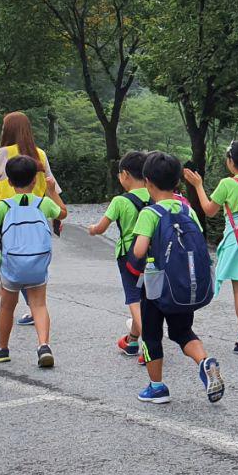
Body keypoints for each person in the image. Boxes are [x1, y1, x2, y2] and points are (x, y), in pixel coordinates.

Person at [124, 150, 224, 406]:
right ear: (177, 181)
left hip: (156, 287)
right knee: (182, 331)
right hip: (183, 285)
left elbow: (138, 250)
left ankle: (157, 387)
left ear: (147, 182)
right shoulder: (187, 210)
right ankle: (204, 362)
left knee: (152, 335)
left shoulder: (150, 213)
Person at [0, 155, 66, 366]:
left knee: (7, 307)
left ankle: (2, 349)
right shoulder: (43, 203)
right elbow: (62, 213)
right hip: (37, 264)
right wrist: (52, 192)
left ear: (9, 181)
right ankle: (43, 346)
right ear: (35, 181)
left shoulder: (4, 206)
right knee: (39, 304)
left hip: (11, 266)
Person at [183, 138, 238, 356]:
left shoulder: (227, 184)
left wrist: (198, 185)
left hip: (236, 238)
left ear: (231, 161)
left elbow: (209, 210)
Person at [0, 112, 63, 327]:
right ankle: (36, 307)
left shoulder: (3, 153)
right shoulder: (40, 154)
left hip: (8, 216)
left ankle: (9, 288)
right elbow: (52, 184)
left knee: (12, 256)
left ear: (7, 130)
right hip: (39, 216)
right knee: (33, 256)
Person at [87, 151, 150, 356]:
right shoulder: (155, 194)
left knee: (133, 297)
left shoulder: (120, 201)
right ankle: (132, 341)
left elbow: (102, 227)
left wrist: (93, 229)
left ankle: (149, 343)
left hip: (129, 257)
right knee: (146, 297)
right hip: (154, 254)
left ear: (125, 175)